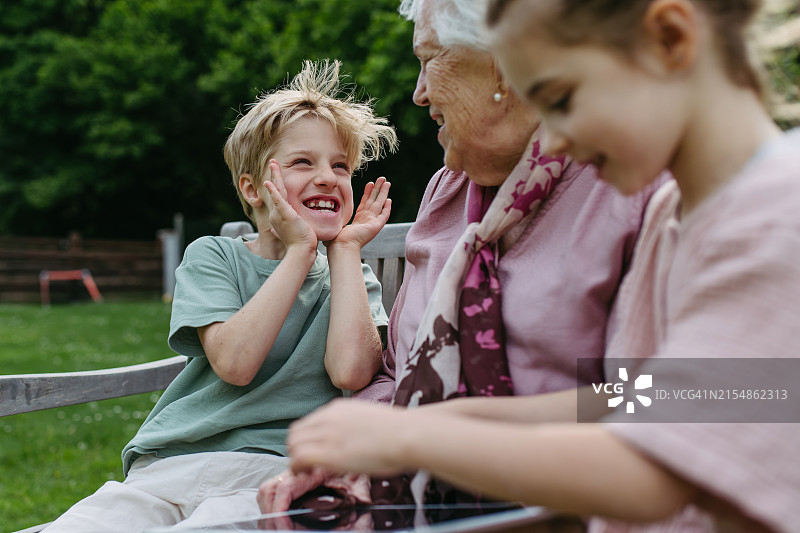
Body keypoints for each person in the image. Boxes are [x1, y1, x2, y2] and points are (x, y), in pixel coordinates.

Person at [281, 1, 800, 532]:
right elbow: (661, 396)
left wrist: (412, 438)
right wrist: (448, 418)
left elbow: (654, 475)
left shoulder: (776, 217)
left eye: (560, 99)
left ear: (669, 40)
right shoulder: (687, 215)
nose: (550, 142)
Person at [259, 0, 663, 516]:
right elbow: (399, 375)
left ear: (504, 64)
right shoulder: (447, 192)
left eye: (430, 60)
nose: (418, 91)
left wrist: (428, 435)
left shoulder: (638, 189)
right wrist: (347, 458)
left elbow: (678, 396)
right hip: (409, 500)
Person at [42, 59, 398, 533]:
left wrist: (346, 248)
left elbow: (350, 371)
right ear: (253, 189)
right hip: (171, 464)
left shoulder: (351, 275)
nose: (328, 177)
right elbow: (235, 361)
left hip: (274, 472)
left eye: (340, 166)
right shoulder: (213, 256)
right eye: (302, 163)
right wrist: (298, 252)